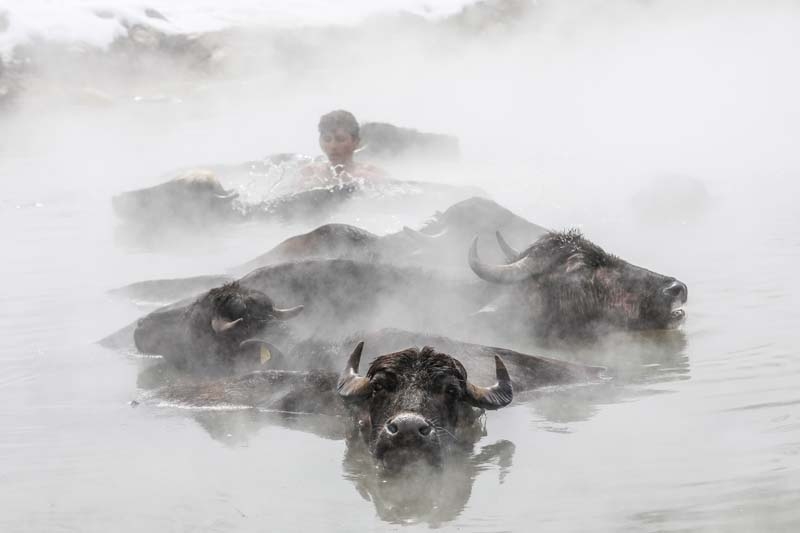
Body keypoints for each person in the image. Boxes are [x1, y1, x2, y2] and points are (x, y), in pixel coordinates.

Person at [297, 110, 387, 188]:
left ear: (356, 142)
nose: (333, 146)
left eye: (340, 139)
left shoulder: (371, 175)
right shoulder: (310, 174)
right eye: (327, 139)